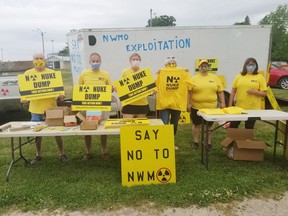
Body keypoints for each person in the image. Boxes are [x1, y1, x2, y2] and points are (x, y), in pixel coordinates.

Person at [21, 53, 68, 164]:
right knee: (37, 135)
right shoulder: (28, 74)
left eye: (41, 58)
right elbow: (24, 93)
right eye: (36, 58)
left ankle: (62, 154)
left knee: (57, 133)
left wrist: (62, 95)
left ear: (45, 60)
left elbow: (61, 92)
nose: (39, 60)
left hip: (51, 109)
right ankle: (38, 155)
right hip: (35, 110)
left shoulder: (53, 74)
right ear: (33, 61)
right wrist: (24, 99)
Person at [78, 52, 112, 159]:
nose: (95, 63)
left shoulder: (105, 74)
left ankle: (104, 150)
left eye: (97, 61)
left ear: (100, 62)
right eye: (93, 61)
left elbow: (109, 89)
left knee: (104, 129)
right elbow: (80, 90)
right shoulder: (84, 74)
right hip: (89, 107)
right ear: (89, 62)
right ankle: (88, 151)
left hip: (102, 107)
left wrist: (112, 89)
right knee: (88, 129)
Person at [188, 59, 225, 151]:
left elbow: (220, 92)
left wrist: (223, 103)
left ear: (208, 67)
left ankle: (208, 143)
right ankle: (195, 142)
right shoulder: (193, 78)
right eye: (202, 65)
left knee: (208, 126)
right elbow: (189, 92)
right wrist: (188, 103)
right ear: (199, 67)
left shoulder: (215, 78)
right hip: (196, 107)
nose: (204, 67)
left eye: (206, 65)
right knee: (196, 124)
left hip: (211, 108)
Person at [156, 56, 190, 150]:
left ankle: (171, 142)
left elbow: (188, 84)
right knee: (164, 124)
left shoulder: (182, 73)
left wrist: (185, 72)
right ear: (165, 65)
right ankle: (163, 143)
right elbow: (155, 85)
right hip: (164, 103)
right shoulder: (161, 73)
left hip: (176, 103)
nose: (171, 65)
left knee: (174, 124)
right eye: (169, 63)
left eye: (173, 63)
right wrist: (158, 73)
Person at [228, 57, 267, 129]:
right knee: (233, 126)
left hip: (253, 109)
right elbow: (233, 91)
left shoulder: (260, 77)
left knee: (249, 128)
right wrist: (230, 104)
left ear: (256, 66)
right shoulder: (239, 76)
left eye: (253, 65)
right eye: (249, 65)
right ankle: (233, 139)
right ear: (245, 65)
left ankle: (247, 140)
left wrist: (255, 92)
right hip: (239, 107)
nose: (251, 66)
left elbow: (264, 93)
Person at [121, 53, 149, 118]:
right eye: (133, 59)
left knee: (140, 127)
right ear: (130, 61)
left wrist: (153, 90)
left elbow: (150, 85)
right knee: (128, 126)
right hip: (129, 103)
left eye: (137, 59)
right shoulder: (125, 72)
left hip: (142, 103)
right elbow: (121, 86)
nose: (135, 61)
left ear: (140, 61)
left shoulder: (144, 72)